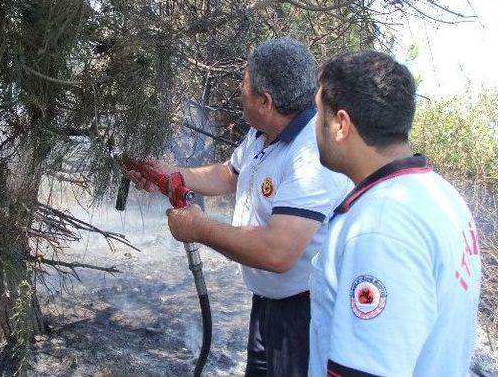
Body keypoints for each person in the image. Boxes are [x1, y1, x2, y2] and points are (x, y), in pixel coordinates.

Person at [127, 37, 352, 376]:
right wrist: (169, 174)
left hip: (304, 316)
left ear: (265, 101)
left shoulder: (310, 156)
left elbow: (277, 252)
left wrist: (199, 228)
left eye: (244, 86)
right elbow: (228, 176)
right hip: (269, 305)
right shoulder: (263, 132)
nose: (239, 91)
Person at [310, 51, 481, 377]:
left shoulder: (379, 229)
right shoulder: (440, 194)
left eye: (319, 116)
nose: (314, 129)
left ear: (341, 125)